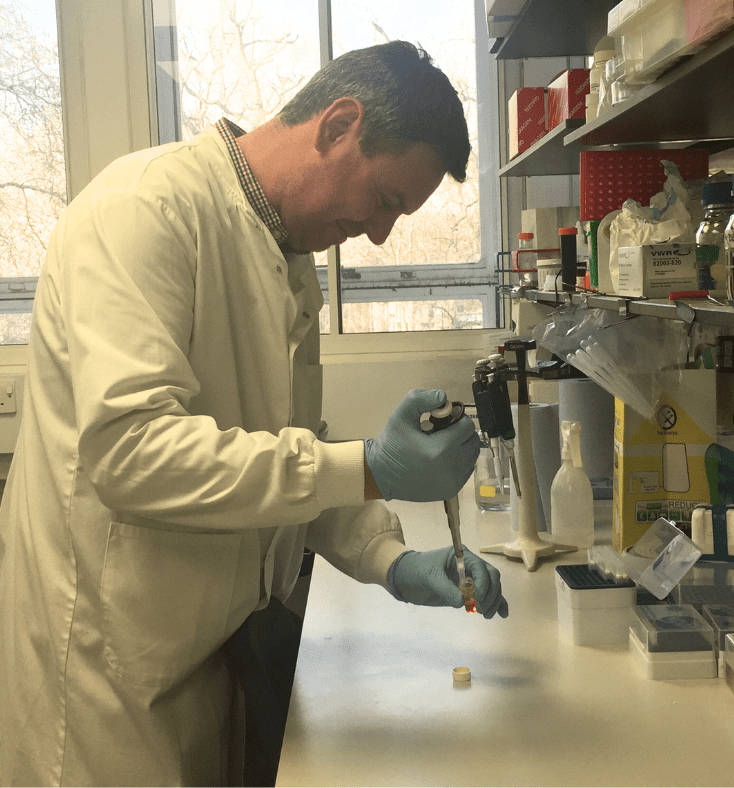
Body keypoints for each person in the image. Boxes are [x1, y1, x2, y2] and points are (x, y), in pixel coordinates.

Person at [0, 40, 508, 787]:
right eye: (385, 200)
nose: (379, 234)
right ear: (338, 125)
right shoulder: (143, 210)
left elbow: (284, 451)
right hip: (103, 665)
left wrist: (387, 557)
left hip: (201, 647)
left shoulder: (284, 255)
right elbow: (130, 452)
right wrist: (369, 466)